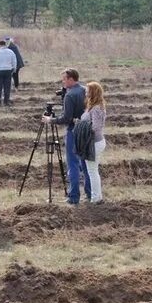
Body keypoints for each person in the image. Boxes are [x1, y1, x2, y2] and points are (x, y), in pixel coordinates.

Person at [42, 69, 89, 205]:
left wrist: (50, 120)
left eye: (64, 79)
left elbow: (67, 118)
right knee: (85, 163)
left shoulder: (70, 96)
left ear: (70, 79)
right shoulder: (85, 90)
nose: (62, 82)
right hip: (86, 130)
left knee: (73, 164)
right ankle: (90, 193)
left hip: (73, 131)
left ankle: (74, 197)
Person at [81, 82, 107, 204]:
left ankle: (96, 199)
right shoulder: (95, 106)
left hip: (94, 143)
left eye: (88, 91)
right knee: (93, 170)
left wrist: (81, 128)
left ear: (93, 92)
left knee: (92, 171)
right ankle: (96, 197)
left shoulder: (96, 108)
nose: (86, 93)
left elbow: (96, 127)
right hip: (96, 142)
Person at [0, 40, 17, 106]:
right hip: (8, 70)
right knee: (7, 87)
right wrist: (14, 68)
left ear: (0, 45)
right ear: (5, 44)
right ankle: (6, 101)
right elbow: (14, 60)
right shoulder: (11, 52)